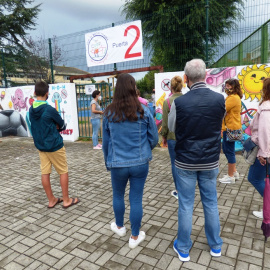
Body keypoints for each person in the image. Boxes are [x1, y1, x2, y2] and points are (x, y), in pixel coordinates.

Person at [168, 59, 225, 261]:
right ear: (205, 75)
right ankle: (216, 245)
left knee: (185, 204)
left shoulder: (179, 102)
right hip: (210, 160)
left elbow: (173, 127)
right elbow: (219, 123)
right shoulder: (220, 99)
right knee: (210, 202)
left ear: (186, 78)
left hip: (186, 161)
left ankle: (183, 248)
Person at [102, 73, 158, 249]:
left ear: (117, 89)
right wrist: (145, 150)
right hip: (140, 164)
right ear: (134, 88)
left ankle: (119, 227)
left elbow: (106, 143)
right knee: (136, 199)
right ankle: (134, 237)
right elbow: (154, 138)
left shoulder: (109, 112)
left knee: (118, 195)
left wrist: (108, 161)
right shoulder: (144, 110)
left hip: (117, 163)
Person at [29, 81, 79, 208]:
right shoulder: (49, 109)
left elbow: (32, 127)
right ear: (47, 93)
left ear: (34, 93)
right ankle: (66, 200)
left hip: (41, 147)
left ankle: (51, 200)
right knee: (63, 171)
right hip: (55, 146)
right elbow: (61, 125)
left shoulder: (30, 110)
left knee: (45, 172)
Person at [248, 78, 270, 219]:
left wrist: (264, 153)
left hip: (265, 153)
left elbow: (265, 132)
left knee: (254, 178)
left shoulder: (266, 108)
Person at [161, 76, 183, 199]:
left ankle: (178, 191)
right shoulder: (188, 99)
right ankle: (186, 188)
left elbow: (165, 123)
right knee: (186, 162)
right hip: (187, 137)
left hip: (172, 136)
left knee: (175, 164)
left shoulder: (167, 102)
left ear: (171, 87)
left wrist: (163, 136)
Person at [219, 79, 243, 184]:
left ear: (234, 87)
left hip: (230, 128)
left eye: (228, 86)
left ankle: (231, 176)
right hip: (232, 127)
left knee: (228, 150)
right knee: (229, 150)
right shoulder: (234, 97)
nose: (226, 88)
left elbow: (221, 109)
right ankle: (234, 172)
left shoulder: (233, 98)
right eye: (226, 86)